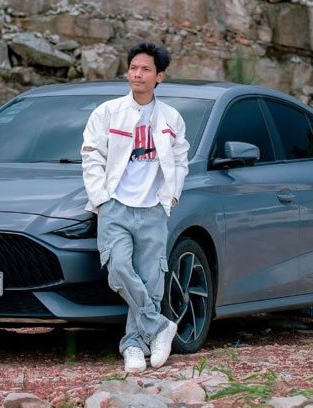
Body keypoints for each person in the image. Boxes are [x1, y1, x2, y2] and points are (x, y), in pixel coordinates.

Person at [80, 41, 190, 372]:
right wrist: (101, 198)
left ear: (159, 77)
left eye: (145, 69)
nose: (137, 74)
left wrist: (171, 197)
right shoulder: (107, 112)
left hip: (153, 208)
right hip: (115, 206)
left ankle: (133, 346)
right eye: (133, 68)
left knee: (151, 280)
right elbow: (91, 155)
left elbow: (181, 160)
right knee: (118, 270)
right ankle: (160, 327)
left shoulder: (171, 118)